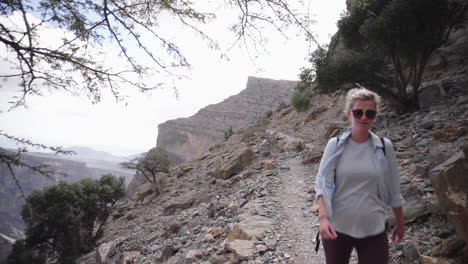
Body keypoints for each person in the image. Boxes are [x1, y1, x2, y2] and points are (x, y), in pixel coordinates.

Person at [314, 87, 405, 264]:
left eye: (370, 113)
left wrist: (400, 224)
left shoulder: (385, 147)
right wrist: (323, 219)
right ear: (349, 113)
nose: (364, 118)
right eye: (358, 112)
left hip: (374, 229)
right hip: (337, 228)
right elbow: (323, 183)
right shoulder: (335, 144)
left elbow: (394, 189)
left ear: (375, 115)